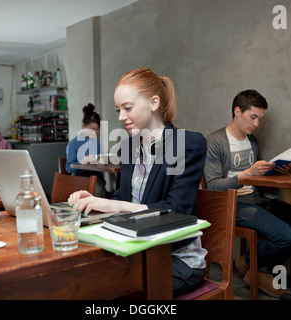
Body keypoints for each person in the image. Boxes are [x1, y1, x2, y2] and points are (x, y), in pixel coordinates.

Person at [68, 68, 207, 296]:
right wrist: (94, 202)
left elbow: (177, 211)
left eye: (128, 108)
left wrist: (114, 206)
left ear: (154, 103)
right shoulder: (128, 147)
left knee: (104, 289)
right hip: (136, 251)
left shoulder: (186, 143)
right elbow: (124, 198)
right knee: (82, 279)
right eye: (118, 110)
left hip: (175, 260)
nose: (121, 117)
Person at [204, 89, 291, 298]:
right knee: (286, 236)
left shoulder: (252, 141)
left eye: (260, 119)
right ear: (237, 111)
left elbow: (257, 180)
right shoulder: (215, 141)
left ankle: (248, 263)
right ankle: (261, 270)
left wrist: (275, 171)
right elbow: (212, 187)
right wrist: (245, 176)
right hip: (232, 203)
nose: (256, 124)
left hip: (256, 199)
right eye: (252, 117)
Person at [65, 103, 106, 197]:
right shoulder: (73, 143)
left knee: (99, 187)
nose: (94, 132)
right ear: (83, 126)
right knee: (96, 190)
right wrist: (83, 162)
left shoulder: (97, 143)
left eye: (96, 129)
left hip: (95, 176)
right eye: (91, 129)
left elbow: (101, 163)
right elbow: (68, 167)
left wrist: (99, 161)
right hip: (78, 177)